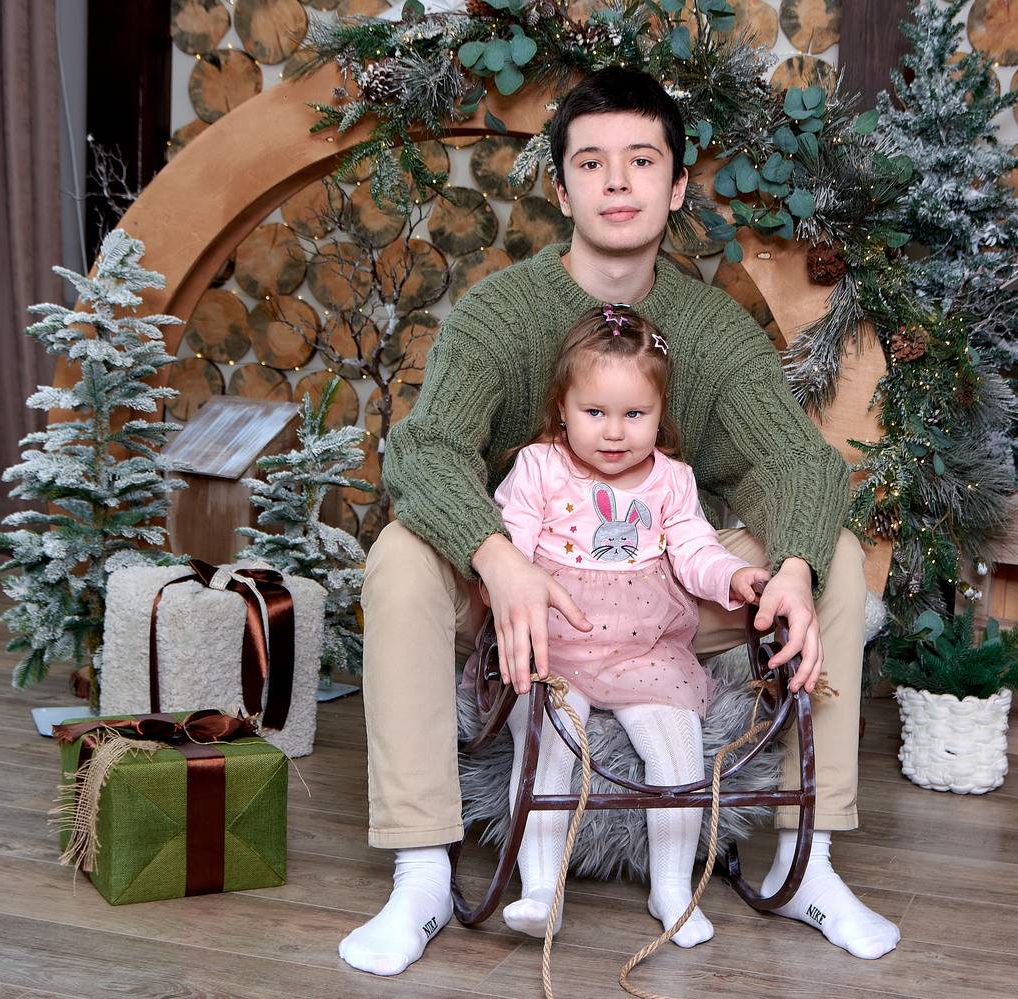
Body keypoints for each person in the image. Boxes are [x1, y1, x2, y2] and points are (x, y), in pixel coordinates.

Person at [339, 66, 901, 978]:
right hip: (523, 593)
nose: (616, 181)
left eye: (641, 160)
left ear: (675, 186)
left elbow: (796, 462)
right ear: (562, 190)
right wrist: (497, 559)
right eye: (591, 162)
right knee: (402, 555)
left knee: (827, 551)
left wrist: (792, 568)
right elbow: (424, 449)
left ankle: (810, 861)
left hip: (660, 589)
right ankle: (421, 869)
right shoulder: (498, 315)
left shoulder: (710, 329)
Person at [479, 304, 768, 948]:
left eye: (635, 414)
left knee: (676, 750)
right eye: (595, 412)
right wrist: (506, 586)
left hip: (646, 647)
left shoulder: (672, 481)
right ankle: (541, 889)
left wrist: (733, 577)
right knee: (548, 744)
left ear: (661, 415)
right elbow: (510, 547)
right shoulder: (539, 468)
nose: (614, 432)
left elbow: (694, 549)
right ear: (562, 407)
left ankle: (673, 888)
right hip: (556, 638)